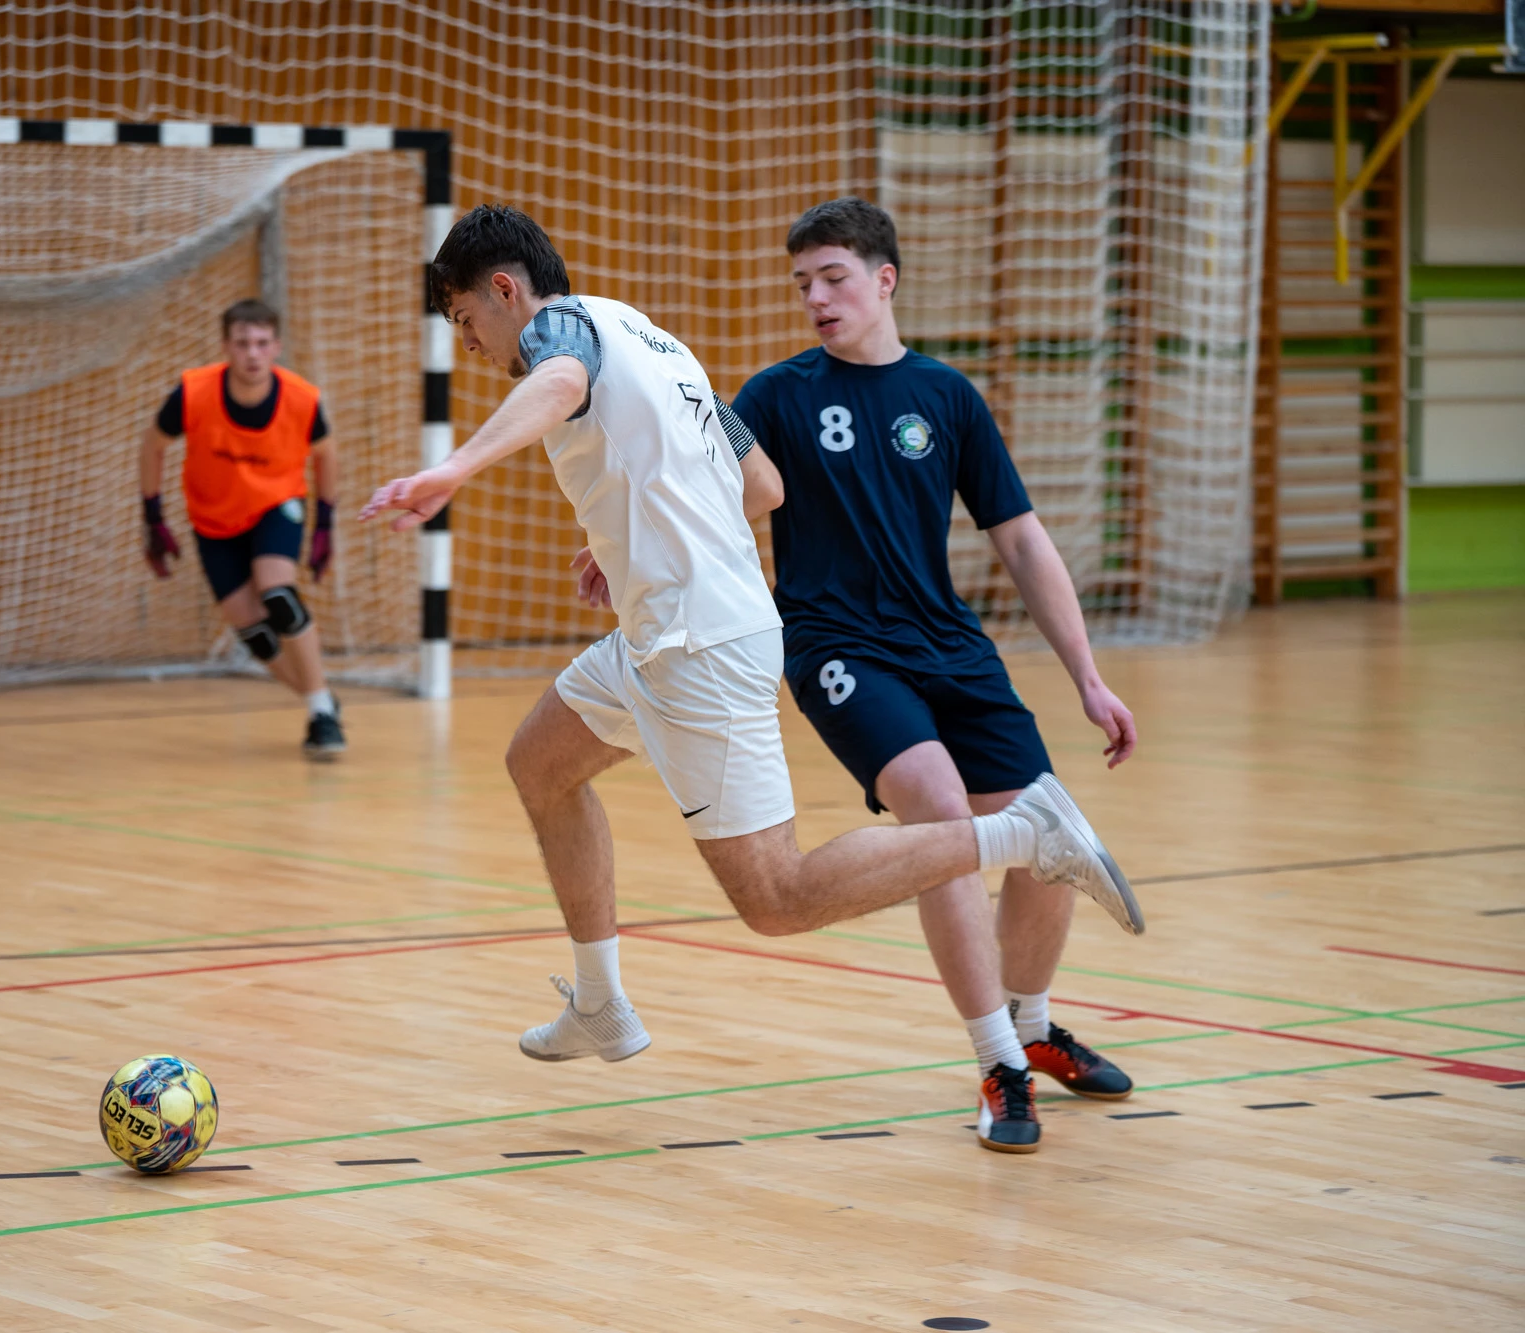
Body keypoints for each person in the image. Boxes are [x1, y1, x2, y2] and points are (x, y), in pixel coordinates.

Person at [360, 206, 1141, 1139]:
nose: (471, 345)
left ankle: (1022, 833)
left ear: (504, 289)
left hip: (698, 646)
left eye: (465, 320)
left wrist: (453, 469)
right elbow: (762, 483)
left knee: (778, 898)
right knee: (540, 764)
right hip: (661, 631)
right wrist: (634, 535)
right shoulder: (654, 338)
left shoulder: (557, 334)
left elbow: (558, 379)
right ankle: (600, 1001)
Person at [729, 197, 1144, 1154]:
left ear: (885, 280)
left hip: (951, 645)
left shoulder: (946, 396)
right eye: (803, 283)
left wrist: (1088, 678)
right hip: (838, 647)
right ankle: (998, 1063)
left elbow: (1022, 540)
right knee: (943, 817)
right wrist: (617, 553)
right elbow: (698, 493)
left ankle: (1033, 1027)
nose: (816, 297)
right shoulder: (777, 395)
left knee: (1044, 828)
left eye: (833, 277)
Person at [140, 299, 345, 759]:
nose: (252, 353)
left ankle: (320, 715)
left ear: (276, 346)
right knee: (253, 631)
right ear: (225, 347)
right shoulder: (193, 392)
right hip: (214, 518)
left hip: (277, 505)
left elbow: (327, 454)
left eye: (261, 343)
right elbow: (152, 445)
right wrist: (152, 516)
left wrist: (325, 525)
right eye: (242, 343)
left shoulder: (301, 398)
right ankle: (321, 699)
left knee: (278, 595)